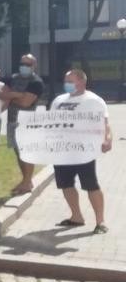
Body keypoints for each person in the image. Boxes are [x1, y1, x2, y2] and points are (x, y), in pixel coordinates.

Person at [50, 69, 113, 234]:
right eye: (65, 81)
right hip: (62, 152)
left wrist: (108, 139)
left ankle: (100, 222)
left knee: (91, 185)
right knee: (66, 184)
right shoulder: (58, 101)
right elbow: (50, 123)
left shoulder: (94, 101)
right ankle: (76, 217)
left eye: (70, 81)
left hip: (84, 153)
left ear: (82, 82)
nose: (67, 84)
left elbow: (105, 124)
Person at [0, 54, 45, 195]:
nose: (24, 66)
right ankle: (26, 180)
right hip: (12, 120)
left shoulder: (36, 82)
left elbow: (26, 103)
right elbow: (1, 94)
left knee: (27, 153)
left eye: (28, 64)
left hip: (27, 122)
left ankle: (27, 181)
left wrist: (12, 96)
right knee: (18, 153)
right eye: (22, 63)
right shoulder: (13, 78)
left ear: (34, 65)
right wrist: (19, 95)